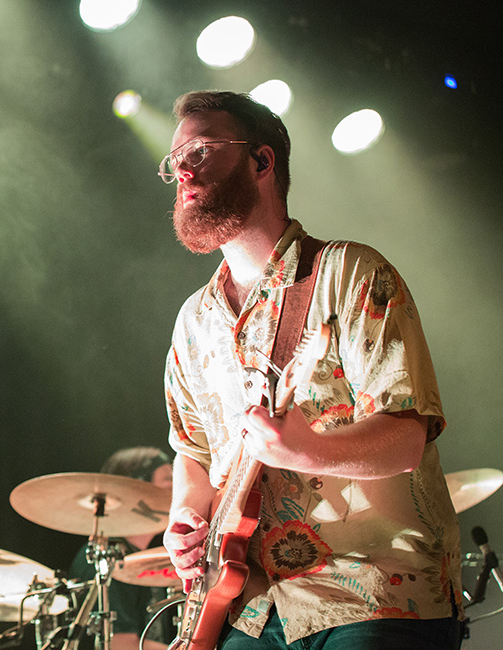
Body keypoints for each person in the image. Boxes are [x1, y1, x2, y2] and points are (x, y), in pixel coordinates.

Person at [158, 91, 464, 649]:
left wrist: (307, 451)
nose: (182, 169)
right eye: (174, 159)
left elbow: (405, 440)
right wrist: (184, 517)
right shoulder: (192, 321)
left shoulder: (349, 273)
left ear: (261, 161)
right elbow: (193, 451)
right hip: (248, 605)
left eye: (200, 150)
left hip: (374, 591)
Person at [68, 446, 176, 650]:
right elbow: (121, 645)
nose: (178, 487)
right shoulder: (106, 559)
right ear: (137, 489)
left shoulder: (141, 557)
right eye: (168, 479)